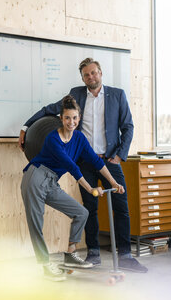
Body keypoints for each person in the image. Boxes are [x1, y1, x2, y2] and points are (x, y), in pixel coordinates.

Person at [19, 58, 148, 273]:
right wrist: (25, 126)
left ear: (101, 73)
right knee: (90, 208)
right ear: (82, 78)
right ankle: (93, 253)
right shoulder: (75, 96)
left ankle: (125, 255)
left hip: (109, 160)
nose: (91, 77)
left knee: (121, 208)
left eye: (94, 73)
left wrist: (119, 157)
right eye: (87, 74)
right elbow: (48, 110)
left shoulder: (117, 95)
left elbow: (128, 127)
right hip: (82, 164)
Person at [21, 95, 125, 281]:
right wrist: (92, 189)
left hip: (51, 181)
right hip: (36, 177)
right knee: (36, 223)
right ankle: (45, 266)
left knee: (81, 213)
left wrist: (114, 182)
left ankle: (70, 254)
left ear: (79, 118)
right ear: (61, 118)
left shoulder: (79, 138)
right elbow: (72, 167)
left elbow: (96, 161)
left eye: (75, 118)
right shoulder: (53, 138)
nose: (71, 122)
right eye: (67, 118)